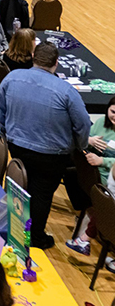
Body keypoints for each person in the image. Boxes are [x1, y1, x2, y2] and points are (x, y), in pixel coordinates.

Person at [0, 41, 91, 248]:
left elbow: (1, 109)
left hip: (18, 146)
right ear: (56, 63)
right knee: (42, 194)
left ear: (33, 57)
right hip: (51, 155)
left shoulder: (12, 78)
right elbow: (83, 124)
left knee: (20, 185)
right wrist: (80, 145)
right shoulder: (67, 91)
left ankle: (13, 228)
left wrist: (5, 133)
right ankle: (35, 237)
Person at [66, 97, 115, 256]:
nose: (114, 117)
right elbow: (82, 143)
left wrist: (103, 160)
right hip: (92, 174)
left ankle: (92, 225)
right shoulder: (101, 122)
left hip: (109, 177)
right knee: (70, 173)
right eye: (113, 112)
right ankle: (90, 213)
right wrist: (89, 141)